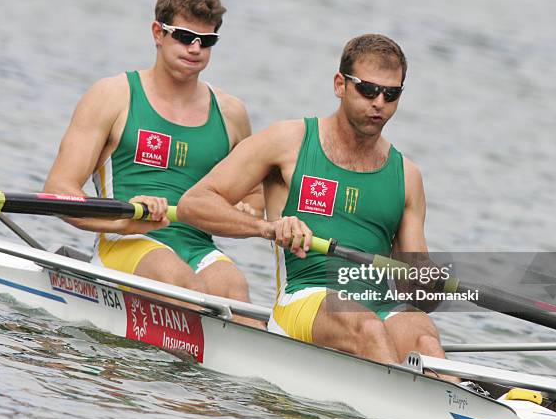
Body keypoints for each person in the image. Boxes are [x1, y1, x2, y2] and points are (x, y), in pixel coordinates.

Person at [177, 34, 459, 376]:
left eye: (391, 94)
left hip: (379, 304)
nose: (379, 103)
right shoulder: (288, 142)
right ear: (340, 84)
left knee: (426, 339)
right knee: (366, 327)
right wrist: (267, 227)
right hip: (305, 296)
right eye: (368, 90)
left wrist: (429, 280)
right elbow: (195, 202)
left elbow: (419, 297)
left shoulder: (407, 176)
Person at [44, 0, 262, 313]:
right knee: (176, 279)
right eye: (185, 37)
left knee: (234, 289)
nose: (195, 49)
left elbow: (255, 196)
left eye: (207, 41)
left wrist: (248, 210)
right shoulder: (112, 96)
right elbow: (58, 191)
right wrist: (124, 214)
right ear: (158, 33)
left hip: (195, 245)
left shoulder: (232, 114)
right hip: (125, 239)